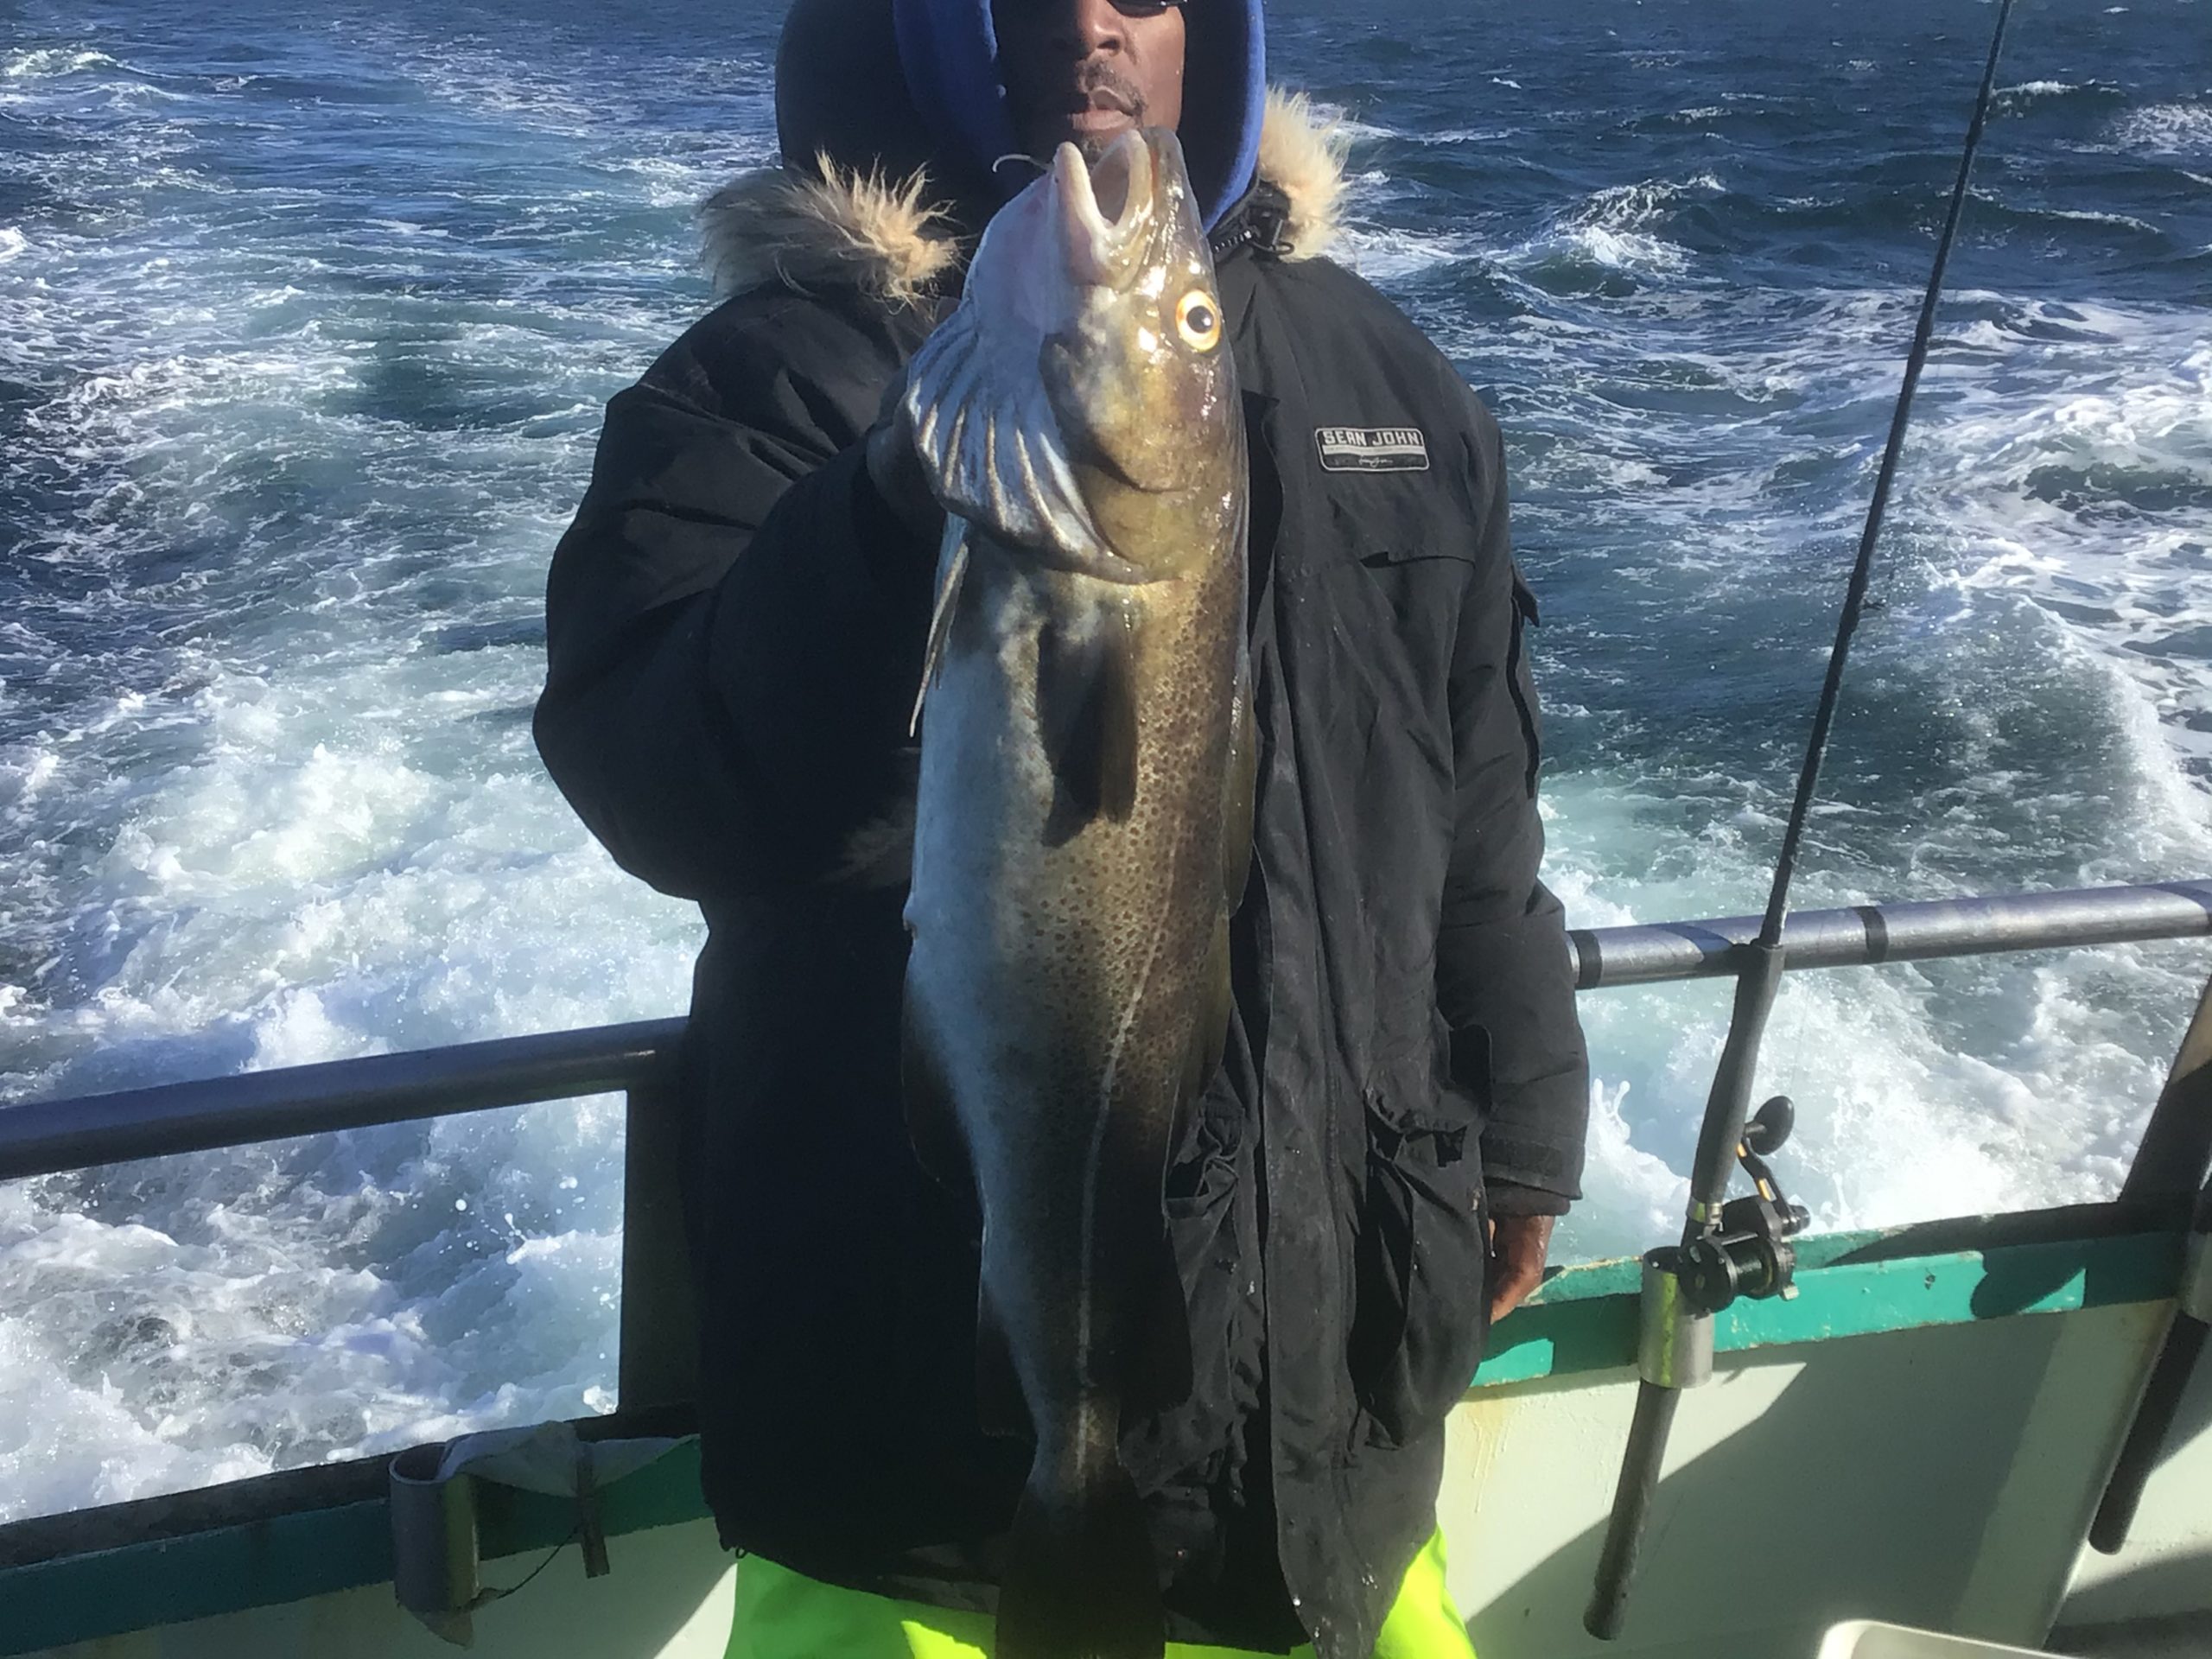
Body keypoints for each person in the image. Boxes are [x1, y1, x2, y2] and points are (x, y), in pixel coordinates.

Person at [534, 0, 1591, 1653]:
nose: (1097, 17)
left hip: (1333, 1461)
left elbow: (1474, 812)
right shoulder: (771, 381)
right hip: (909, 1479)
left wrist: (1522, 1126)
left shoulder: (1388, 380)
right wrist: (892, 505)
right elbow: (664, 786)